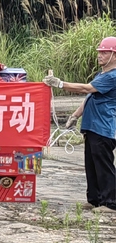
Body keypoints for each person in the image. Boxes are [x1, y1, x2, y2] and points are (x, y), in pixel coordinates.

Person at [44, 36, 116, 211]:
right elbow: (90, 97)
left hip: (104, 127)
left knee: (103, 165)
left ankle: (111, 202)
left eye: (105, 52)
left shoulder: (112, 76)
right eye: (100, 52)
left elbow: (86, 88)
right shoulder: (103, 74)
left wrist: (60, 84)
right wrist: (75, 115)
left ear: (114, 55)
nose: (100, 55)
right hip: (92, 127)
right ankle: (95, 200)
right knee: (91, 165)